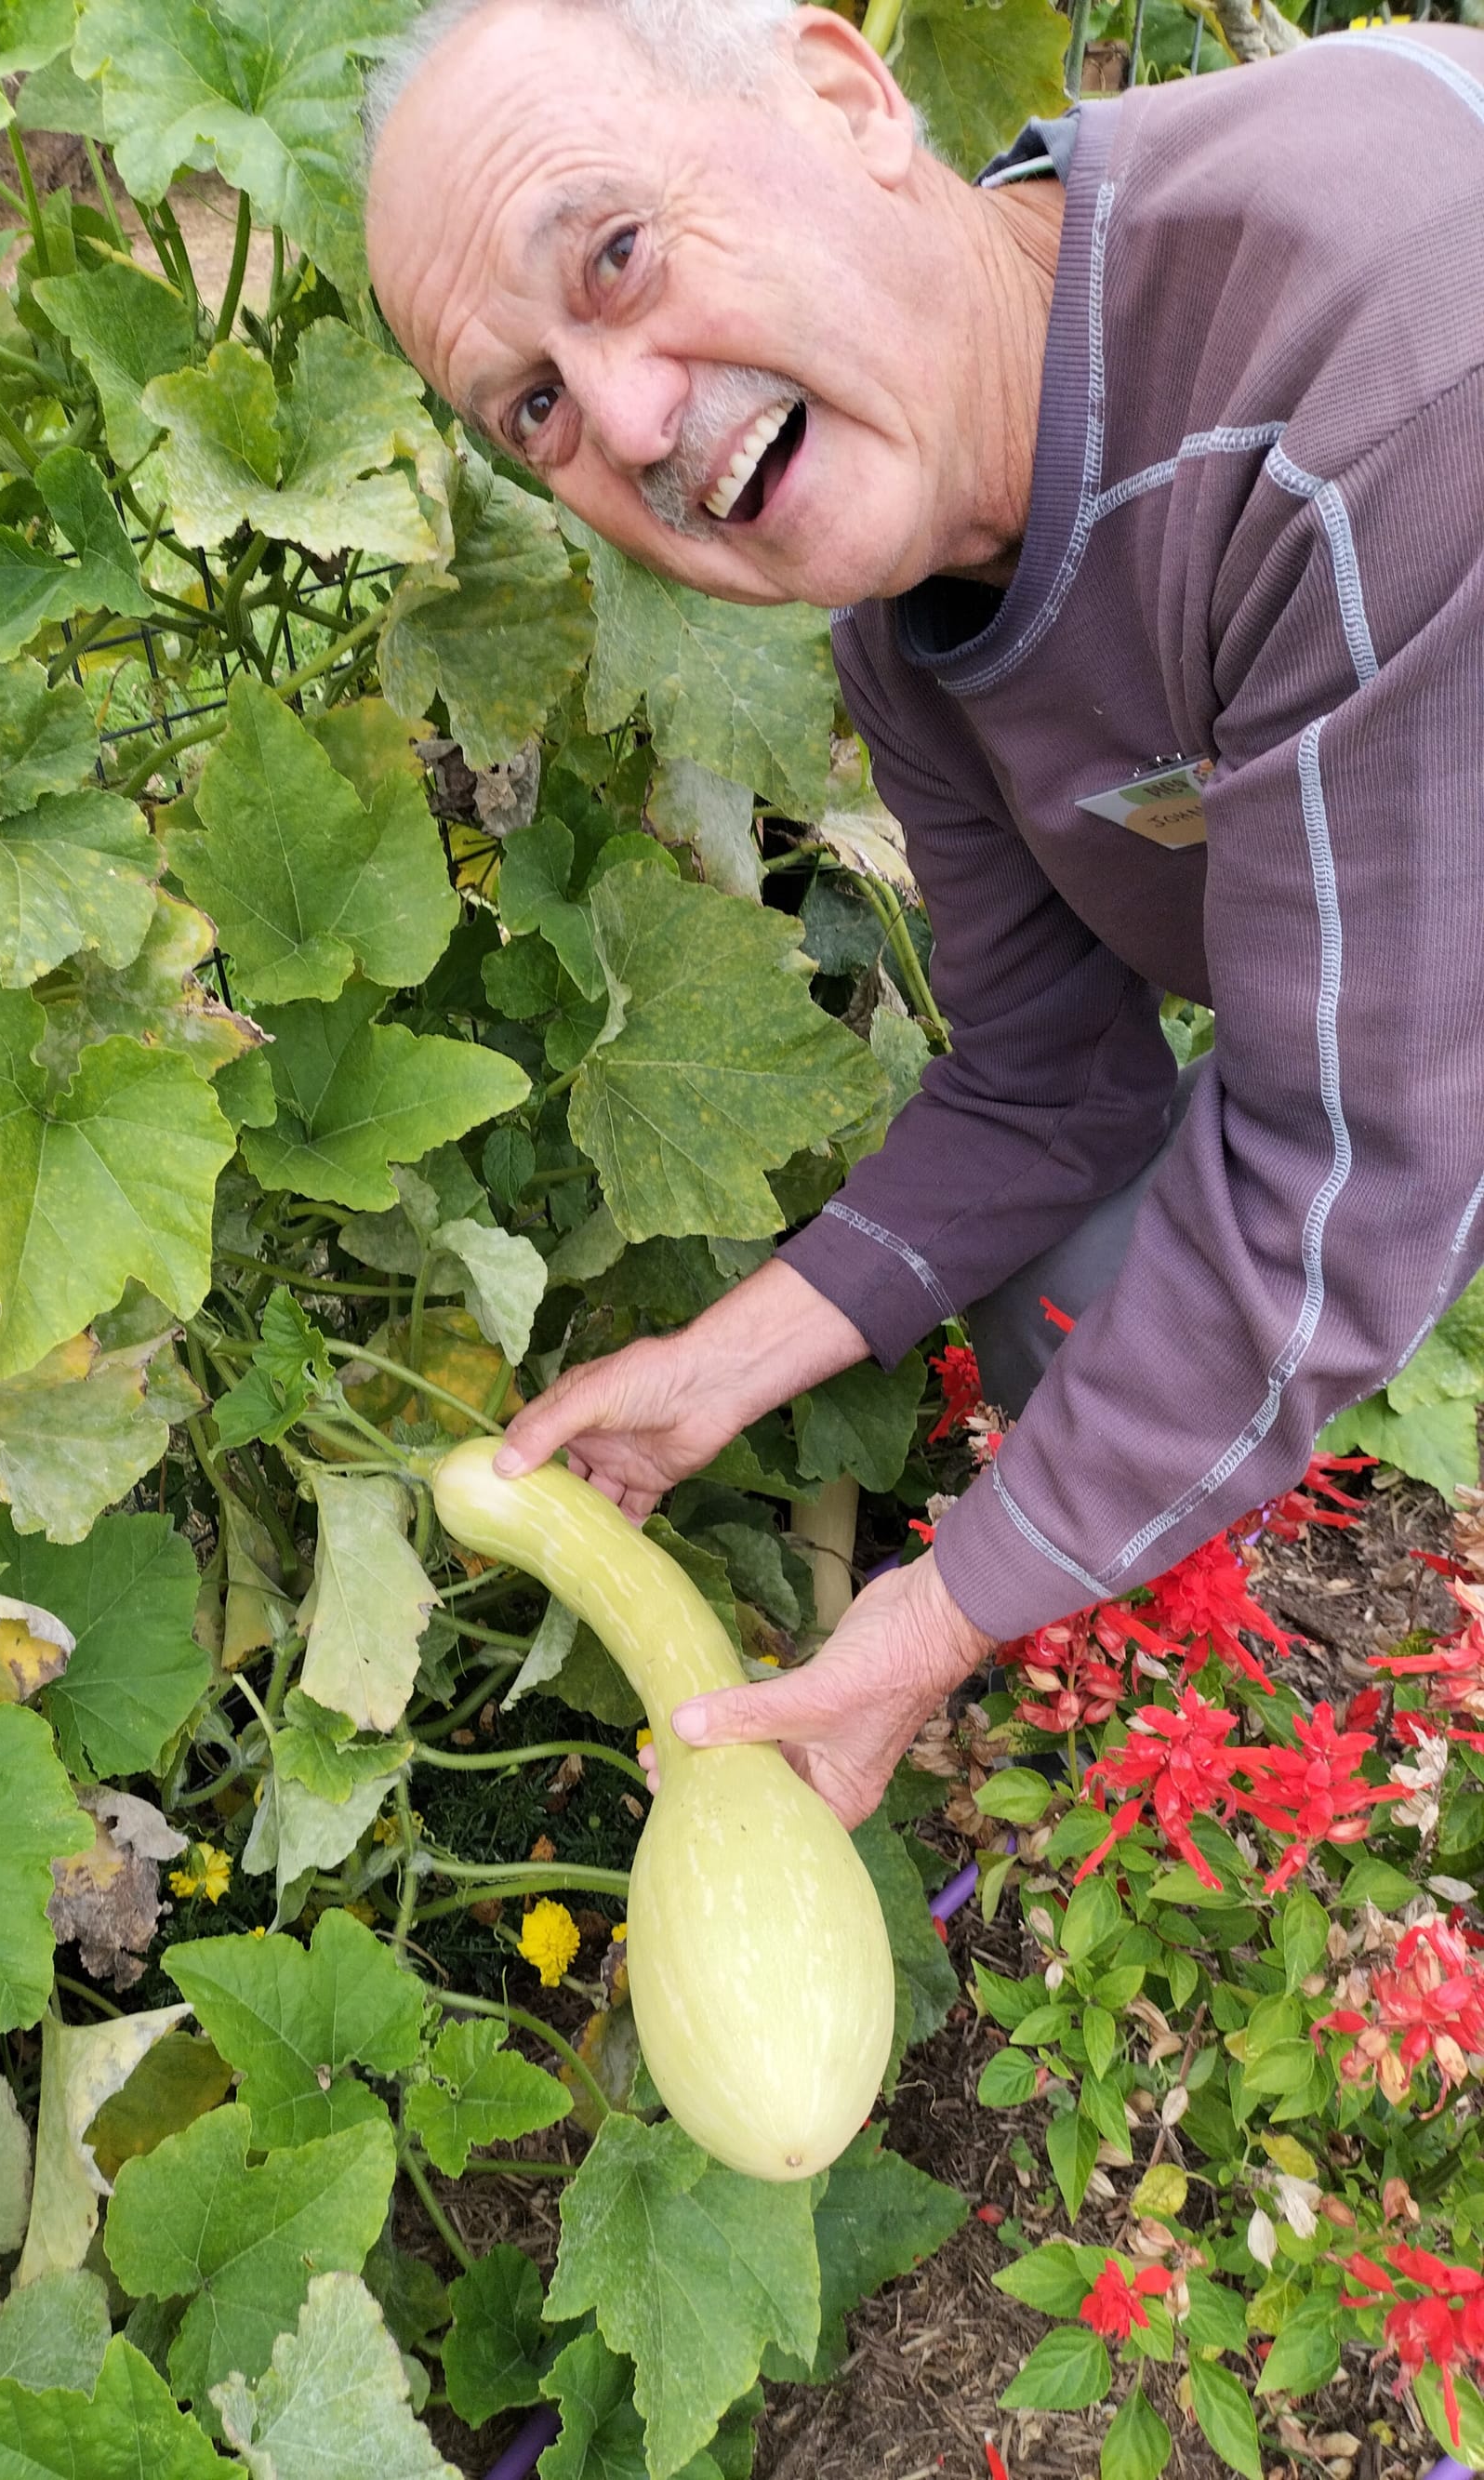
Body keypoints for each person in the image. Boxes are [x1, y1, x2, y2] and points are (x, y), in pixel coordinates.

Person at [361, 0, 1484, 1826]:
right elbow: (1057, 1086)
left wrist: (959, 1591)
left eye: (619, 254)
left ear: (846, 96)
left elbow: (1367, 1161)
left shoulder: (1375, 378)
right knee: (1080, 1294)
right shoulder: (917, 622)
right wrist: (725, 1363)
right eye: (539, 407)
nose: (633, 418)